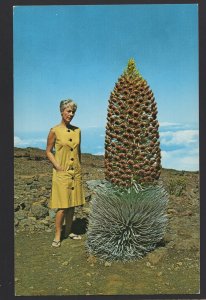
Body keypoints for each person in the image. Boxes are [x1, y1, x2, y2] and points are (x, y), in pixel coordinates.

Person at [46, 99, 85, 247]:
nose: (71, 114)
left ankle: (69, 231)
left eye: (73, 111)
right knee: (62, 206)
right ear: (61, 111)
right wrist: (57, 166)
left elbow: (78, 151)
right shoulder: (54, 130)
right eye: (68, 111)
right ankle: (57, 235)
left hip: (75, 172)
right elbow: (48, 151)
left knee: (72, 204)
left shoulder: (77, 131)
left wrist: (79, 168)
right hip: (61, 173)